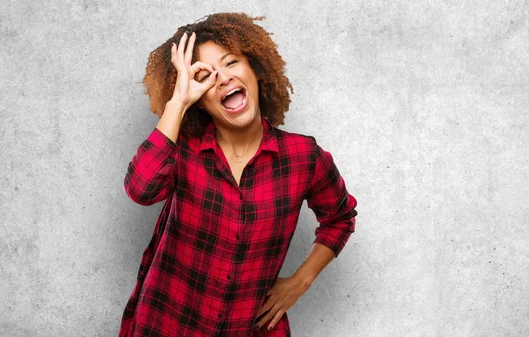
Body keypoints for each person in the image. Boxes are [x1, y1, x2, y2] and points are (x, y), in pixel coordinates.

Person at [119, 13, 358, 337]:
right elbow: (140, 189)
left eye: (231, 63)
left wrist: (300, 282)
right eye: (205, 75)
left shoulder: (303, 158)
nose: (223, 79)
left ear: (255, 71)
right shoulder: (183, 150)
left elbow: (340, 218)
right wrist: (178, 101)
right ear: (200, 101)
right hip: (168, 323)